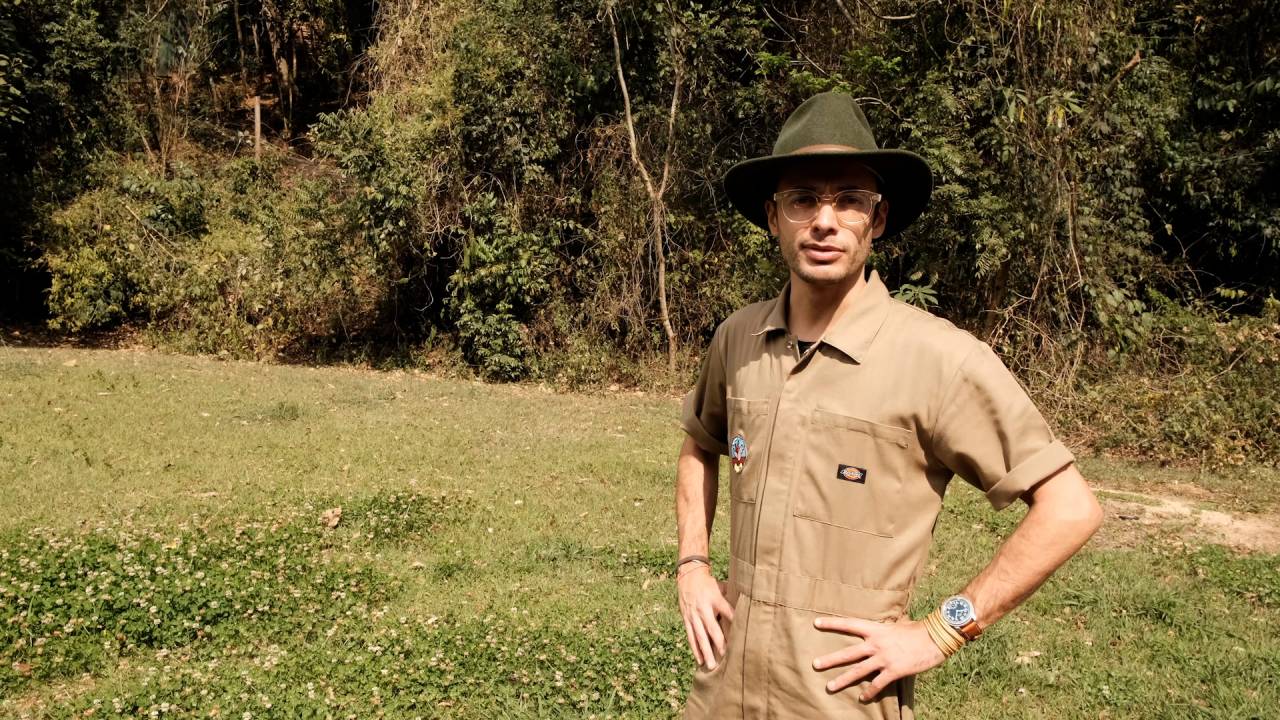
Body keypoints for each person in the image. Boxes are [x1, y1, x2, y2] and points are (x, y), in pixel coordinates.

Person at [674, 91, 1103, 719]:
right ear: (773, 217)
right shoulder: (737, 339)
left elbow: (1069, 509)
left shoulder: (940, 360)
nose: (826, 220)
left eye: (849, 200)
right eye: (803, 200)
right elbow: (700, 444)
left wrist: (941, 630)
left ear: (876, 221)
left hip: (842, 704)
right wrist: (692, 563)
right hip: (722, 692)